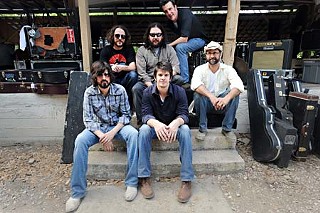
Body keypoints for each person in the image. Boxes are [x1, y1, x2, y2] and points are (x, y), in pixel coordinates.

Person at [65, 61, 139, 212]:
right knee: (80, 140)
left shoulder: (120, 90)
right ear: (95, 77)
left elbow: (126, 115)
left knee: (134, 134)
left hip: (116, 127)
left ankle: (131, 183)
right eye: (100, 75)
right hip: (97, 129)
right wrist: (102, 136)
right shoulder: (89, 93)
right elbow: (88, 120)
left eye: (106, 74)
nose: (104, 78)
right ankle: (77, 192)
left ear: (110, 76)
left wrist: (111, 134)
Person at [138, 61, 194, 203]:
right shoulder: (147, 93)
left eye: (166, 75)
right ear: (155, 77)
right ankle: (144, 178)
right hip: (156, 129)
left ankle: (187, 180)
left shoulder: (179, 92)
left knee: (186, 130)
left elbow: (184, 114)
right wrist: (156, 124)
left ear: (170, 77)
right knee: (144, 130)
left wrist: (176, 123)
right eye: (160, 75)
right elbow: (145, 115)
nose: (163, 78)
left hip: (174, 128)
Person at [190, 41, 244, 141]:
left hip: (223, 103)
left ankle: (227, 129)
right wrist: (212, 97)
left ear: (220, 54)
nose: (212, 56)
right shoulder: (199, 69)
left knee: (235, 93)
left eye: (215, 53)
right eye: (209, 53)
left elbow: (239, 85)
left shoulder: (228, 69)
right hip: (207, 103)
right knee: (198, 94)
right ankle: (202, 129)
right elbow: (195, 84)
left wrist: (226, 99)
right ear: (206, 55)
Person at [133, 22, 184, 125]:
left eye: (158, 35)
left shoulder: (169, 49)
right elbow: (141, 72)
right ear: (148, 36)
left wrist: (167, 78)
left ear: (162, 36)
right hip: (148, 81)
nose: (155, 37)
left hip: (166, 78)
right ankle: (142, 121)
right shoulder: (142, 51)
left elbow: (176, 67)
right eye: (152, 35)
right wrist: (152, 86)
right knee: (136, 89)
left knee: (179, 80)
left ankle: (174, 117)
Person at [159, 0, 208, 84]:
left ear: (175, 7)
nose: (169, 13)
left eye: (170, 9)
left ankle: (184, 80)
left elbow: (184, 38)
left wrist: (169, 45)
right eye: (166, 11)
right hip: (188, 42)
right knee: (174, 48)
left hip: (200, 40)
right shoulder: (170, 23)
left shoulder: (185, 13)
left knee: (180, 48)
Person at [100, 25, 138, 109]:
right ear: (112, 36)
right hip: (112, 79)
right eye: (117, 36)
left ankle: (129, 105)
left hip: (125, 79)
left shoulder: (129, 49)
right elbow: (101, 67)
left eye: (123, 36)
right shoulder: (106, 50)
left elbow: (133, 67)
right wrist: (111, 68)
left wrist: (121, 67)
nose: (120, 38)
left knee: (133, 75)